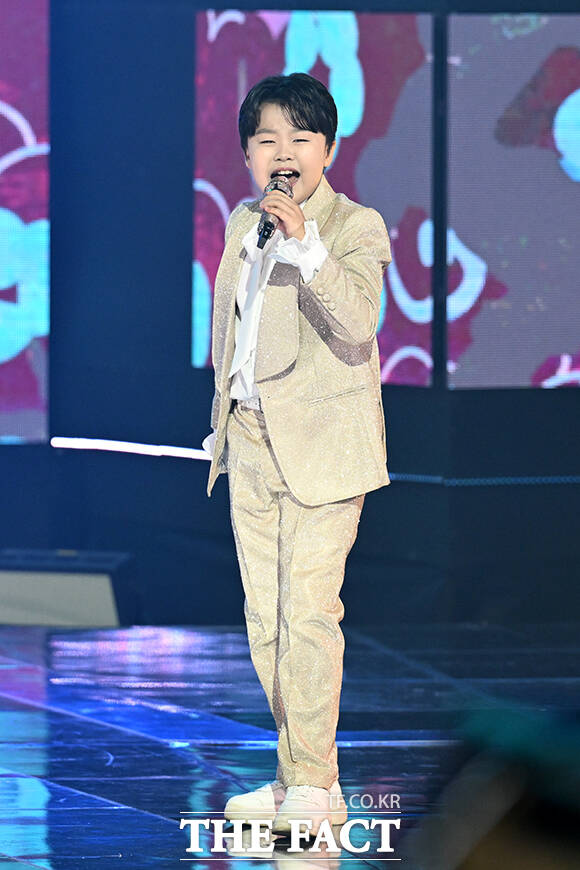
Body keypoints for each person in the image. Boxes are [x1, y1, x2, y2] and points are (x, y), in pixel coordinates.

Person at [202, 72, 392, 837]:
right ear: (249, 154)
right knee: (267, 621)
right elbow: (235, 331)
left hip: (324, 446)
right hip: (249, 439)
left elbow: (358, 324)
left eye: (300, 138)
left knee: (310, 614)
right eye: (266, 140)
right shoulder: (242, 223)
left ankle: (314, 781)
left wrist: (307, 244)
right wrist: (223, 418)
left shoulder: (355, 225)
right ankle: (296, 778)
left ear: (329, 150)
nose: (283, 152)